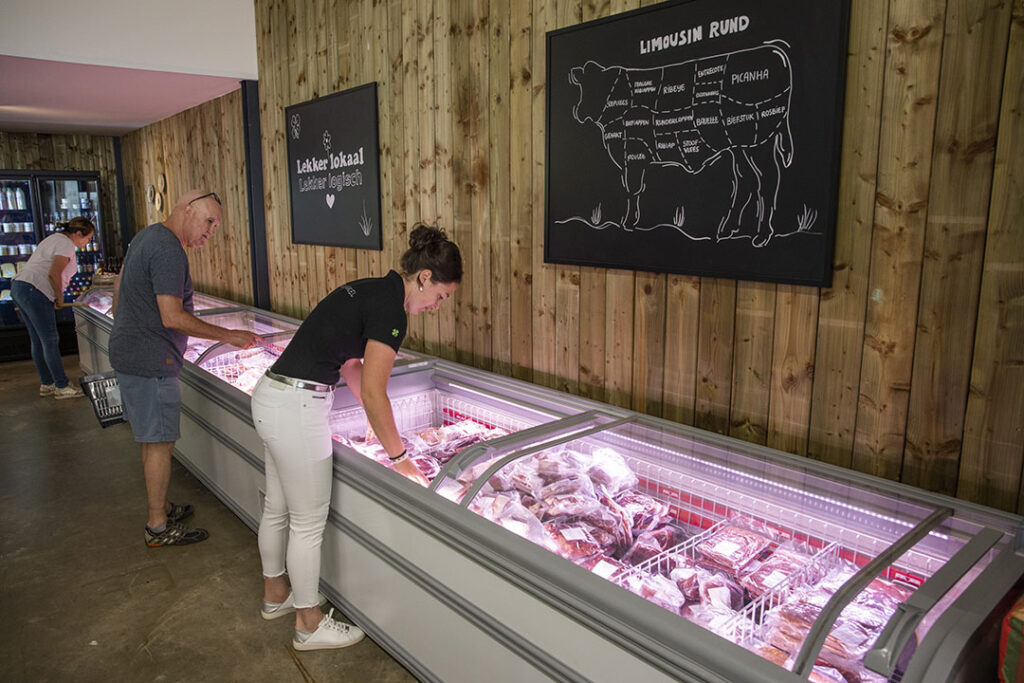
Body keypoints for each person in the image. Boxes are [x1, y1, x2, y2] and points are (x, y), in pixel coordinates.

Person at [252, 224, 462, 651]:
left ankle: (277, 596)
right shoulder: (394, 312)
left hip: (272, 395)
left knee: (278, 508)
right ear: (424, 277)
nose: (437, 306)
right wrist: (400, 456)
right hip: (297, 408)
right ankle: (308, 624)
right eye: (441, 296)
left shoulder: (373, 289)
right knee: (308, 523)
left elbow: (350, 366)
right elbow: (373, 389)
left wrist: (374, 419)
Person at [109, 190, 261, 548]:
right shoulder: (168, 249)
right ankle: (158, 527)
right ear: (187, 209)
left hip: (136, 354)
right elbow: (172, 316)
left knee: (152, 440)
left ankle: (159, 507)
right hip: (151, 362)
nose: (210, 233)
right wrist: (230, 336)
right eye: (208, 222)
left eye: (216, 226)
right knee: (160, 443)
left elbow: (119, 286)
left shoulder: (148, 235)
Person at [11, 217, 94, 399]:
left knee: (38, 339)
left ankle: (47, 383)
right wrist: (59, 296)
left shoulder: (54, 238)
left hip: (20, 287)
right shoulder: (66, 244)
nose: (87, 243)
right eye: (87, 239)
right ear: (78, 233)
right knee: (49, 339)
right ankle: (62, 386)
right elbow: (54, 272)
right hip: (35, 290)